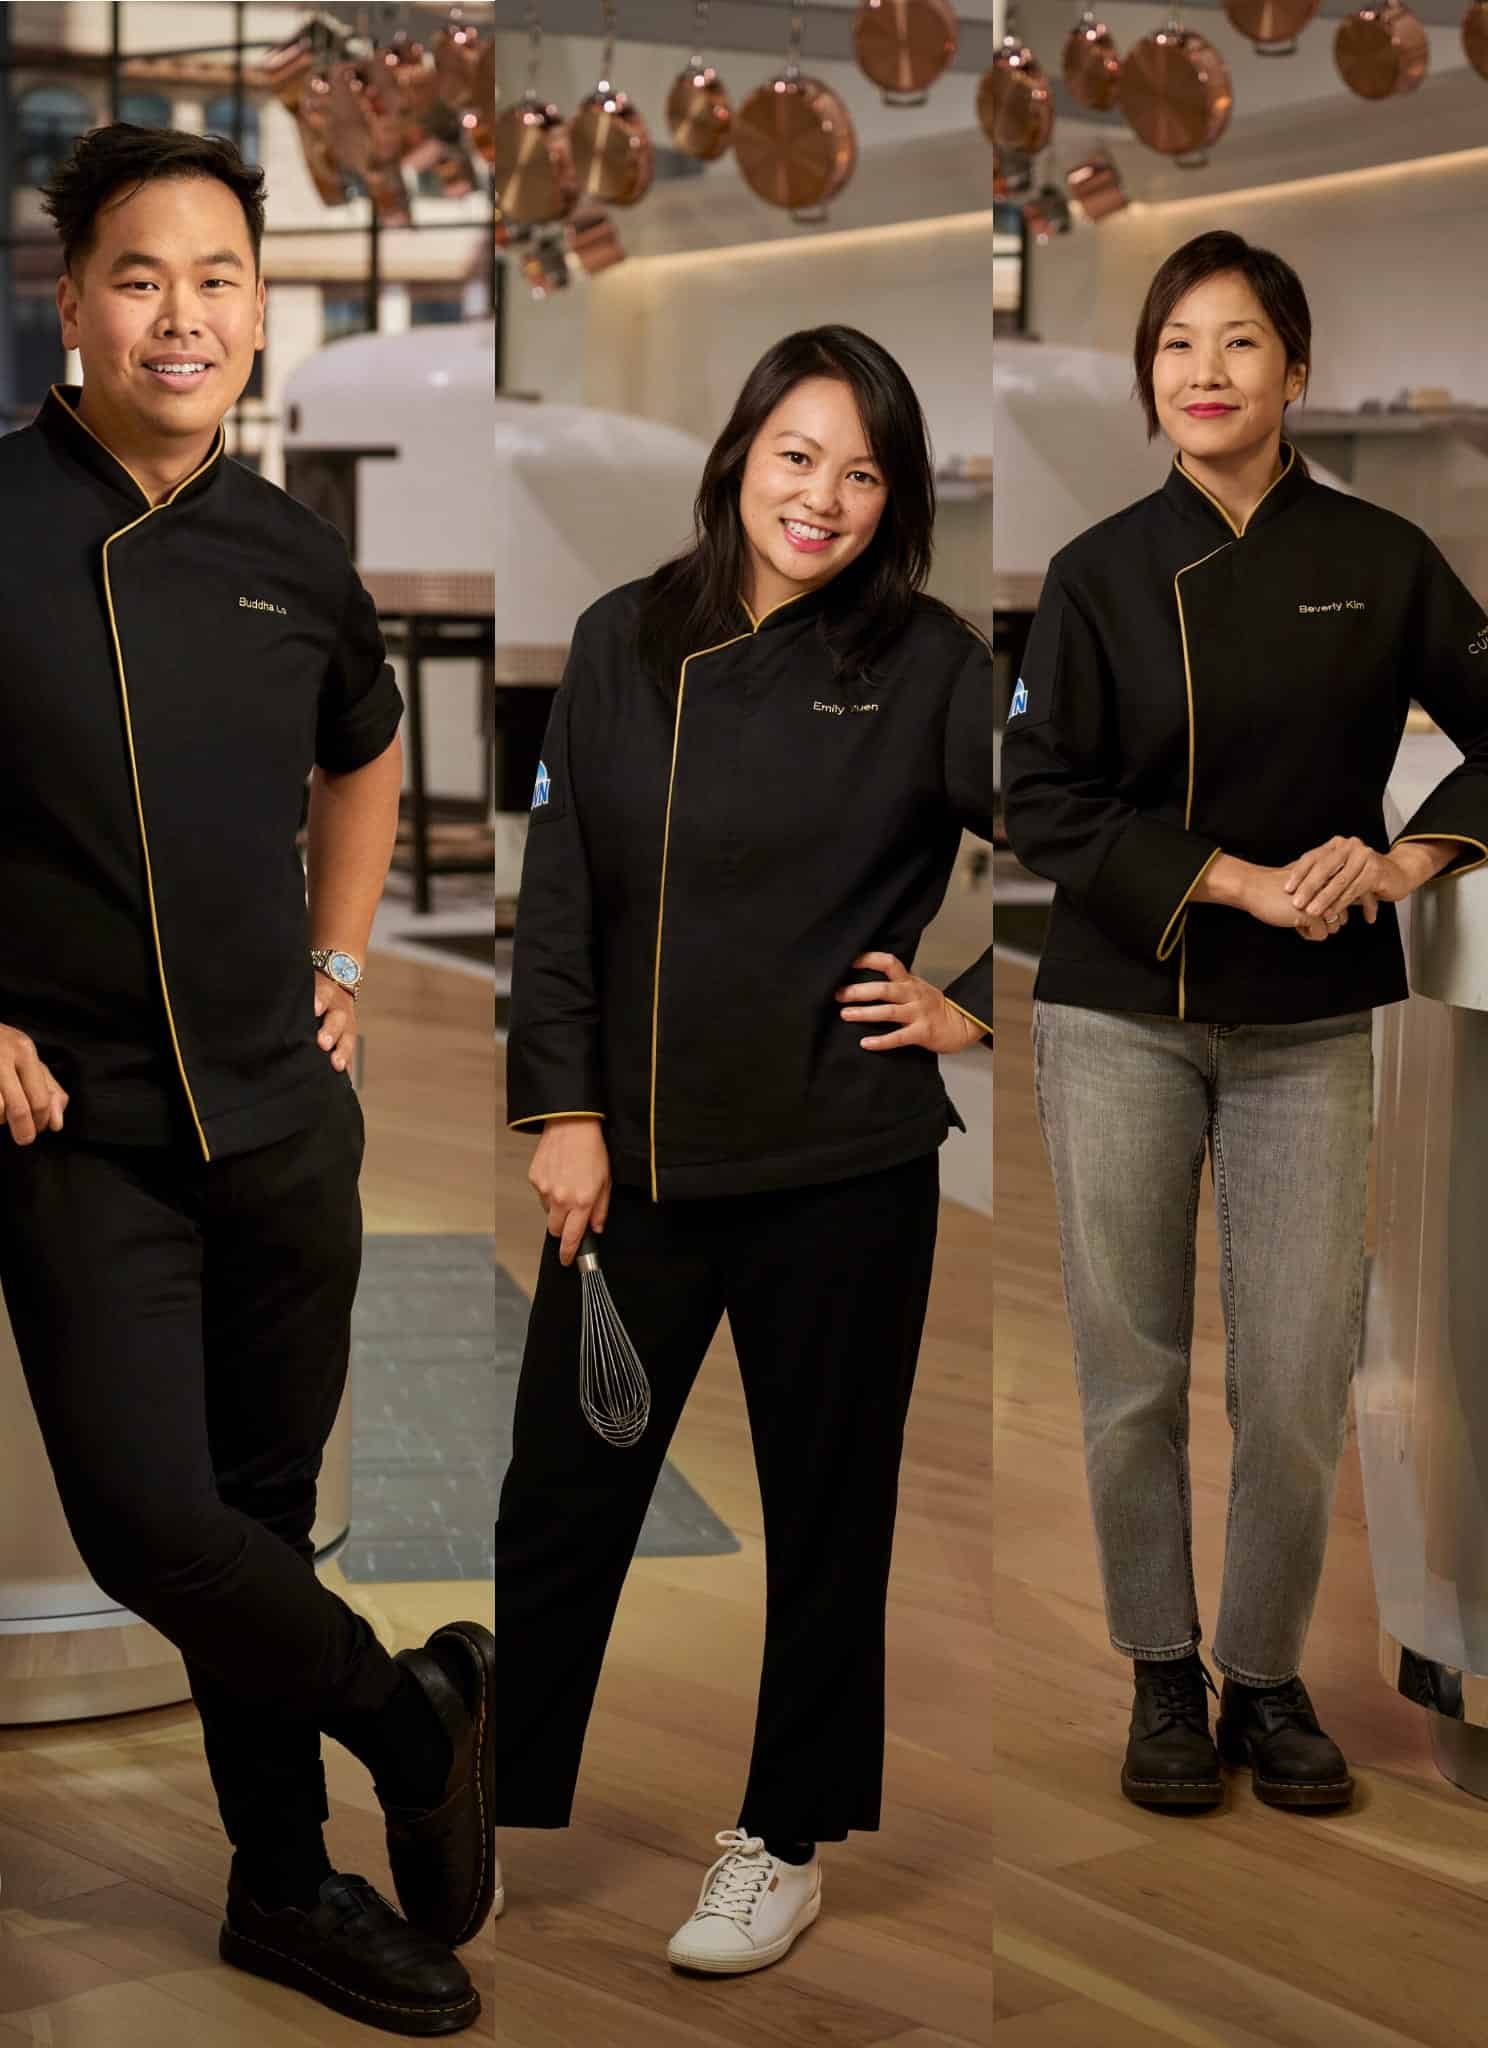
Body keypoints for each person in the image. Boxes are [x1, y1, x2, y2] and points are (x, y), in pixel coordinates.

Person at [0, 125, 495, 2037]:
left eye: (219, 278)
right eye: (142, 275)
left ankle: (283, 1891)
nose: (182, 314)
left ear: (262, 312)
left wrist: (344, 958)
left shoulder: (296, 552)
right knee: (152, 1521)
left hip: (286, 1118)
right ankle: (411, 1711)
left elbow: (361, 757)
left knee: (263, 1522)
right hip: (79, 1132)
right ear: (75, 304)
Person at [495, 325, 993, 1973]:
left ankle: (780, 1842)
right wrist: (564, 1114)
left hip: (844, 1167)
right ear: (739, 455)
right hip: (631, 1171)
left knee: (828, 1516)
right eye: (799, 455)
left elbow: (1072, 819)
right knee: (561, 1501)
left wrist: (975, 996)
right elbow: (558, 896)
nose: (824, 497)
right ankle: (484, 1816)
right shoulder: (621, 640)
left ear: (894, 498)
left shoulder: (927, 662)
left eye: (863, 472)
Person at [1003, 228, 1488, 1816]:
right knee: (1129, 1367)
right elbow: (1040, 795)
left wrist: (1408, 856)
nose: (1203, 375)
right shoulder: (1093, 575)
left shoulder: (1383, 553)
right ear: (1151, 379)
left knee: (1295, 1374)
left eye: (1236, 345)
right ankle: (1160, 1673)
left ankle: (1265, 1676)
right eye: (1175, 348)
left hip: (1311, 1026)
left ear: (1295, 369)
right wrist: (1226, 879)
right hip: (1121, 1009)